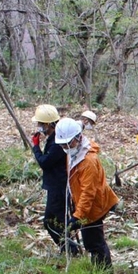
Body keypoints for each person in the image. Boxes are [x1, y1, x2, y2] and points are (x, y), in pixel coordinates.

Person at [55, 118, 119, 269]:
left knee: (94, 241)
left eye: (67, 144)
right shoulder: (73, 152)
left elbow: (88, 192)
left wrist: (78, 216)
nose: (65, 147)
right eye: (62, 145)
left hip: (94, 206)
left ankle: (104, 273)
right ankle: (98, 268)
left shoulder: (88, 161)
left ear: (78, 138)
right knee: (91, 241)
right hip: (84, 205)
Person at [31, 104, 78, 256]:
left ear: (48, 125)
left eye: (40, 124)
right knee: (53, 221)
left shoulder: (58, 142)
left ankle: (70, 250)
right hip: (55, 185)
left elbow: (45, 162)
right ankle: (69, 250)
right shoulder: (53, 139)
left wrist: (36, 147)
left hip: (60, 187)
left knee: (53, 222)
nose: (39, 127)